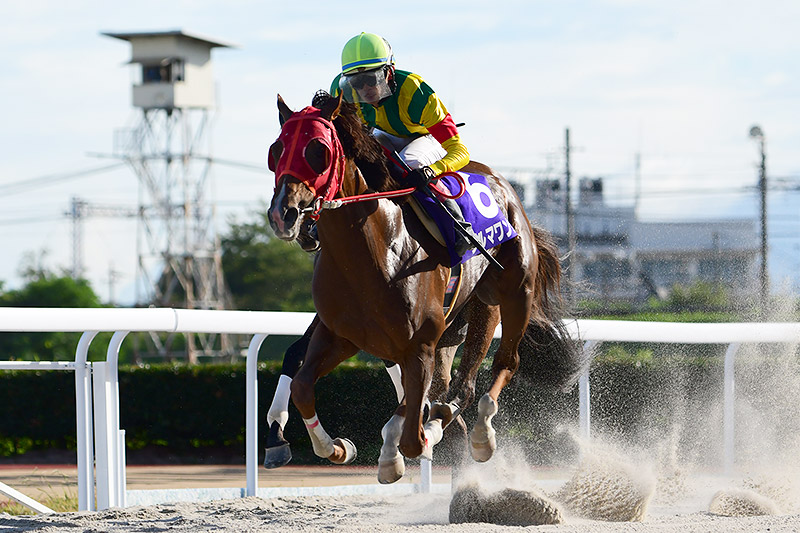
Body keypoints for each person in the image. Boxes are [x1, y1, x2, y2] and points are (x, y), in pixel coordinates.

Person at [331, 32, 477, 256]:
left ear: (389, 73)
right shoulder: (341, 91)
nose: (365, 88)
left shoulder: (415, 91)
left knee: (408, 162)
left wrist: (432, 170)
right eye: (357, 82)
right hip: (385, 134)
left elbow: (460, 150)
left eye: (372, 79)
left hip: (427, 138)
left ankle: (459, 227)